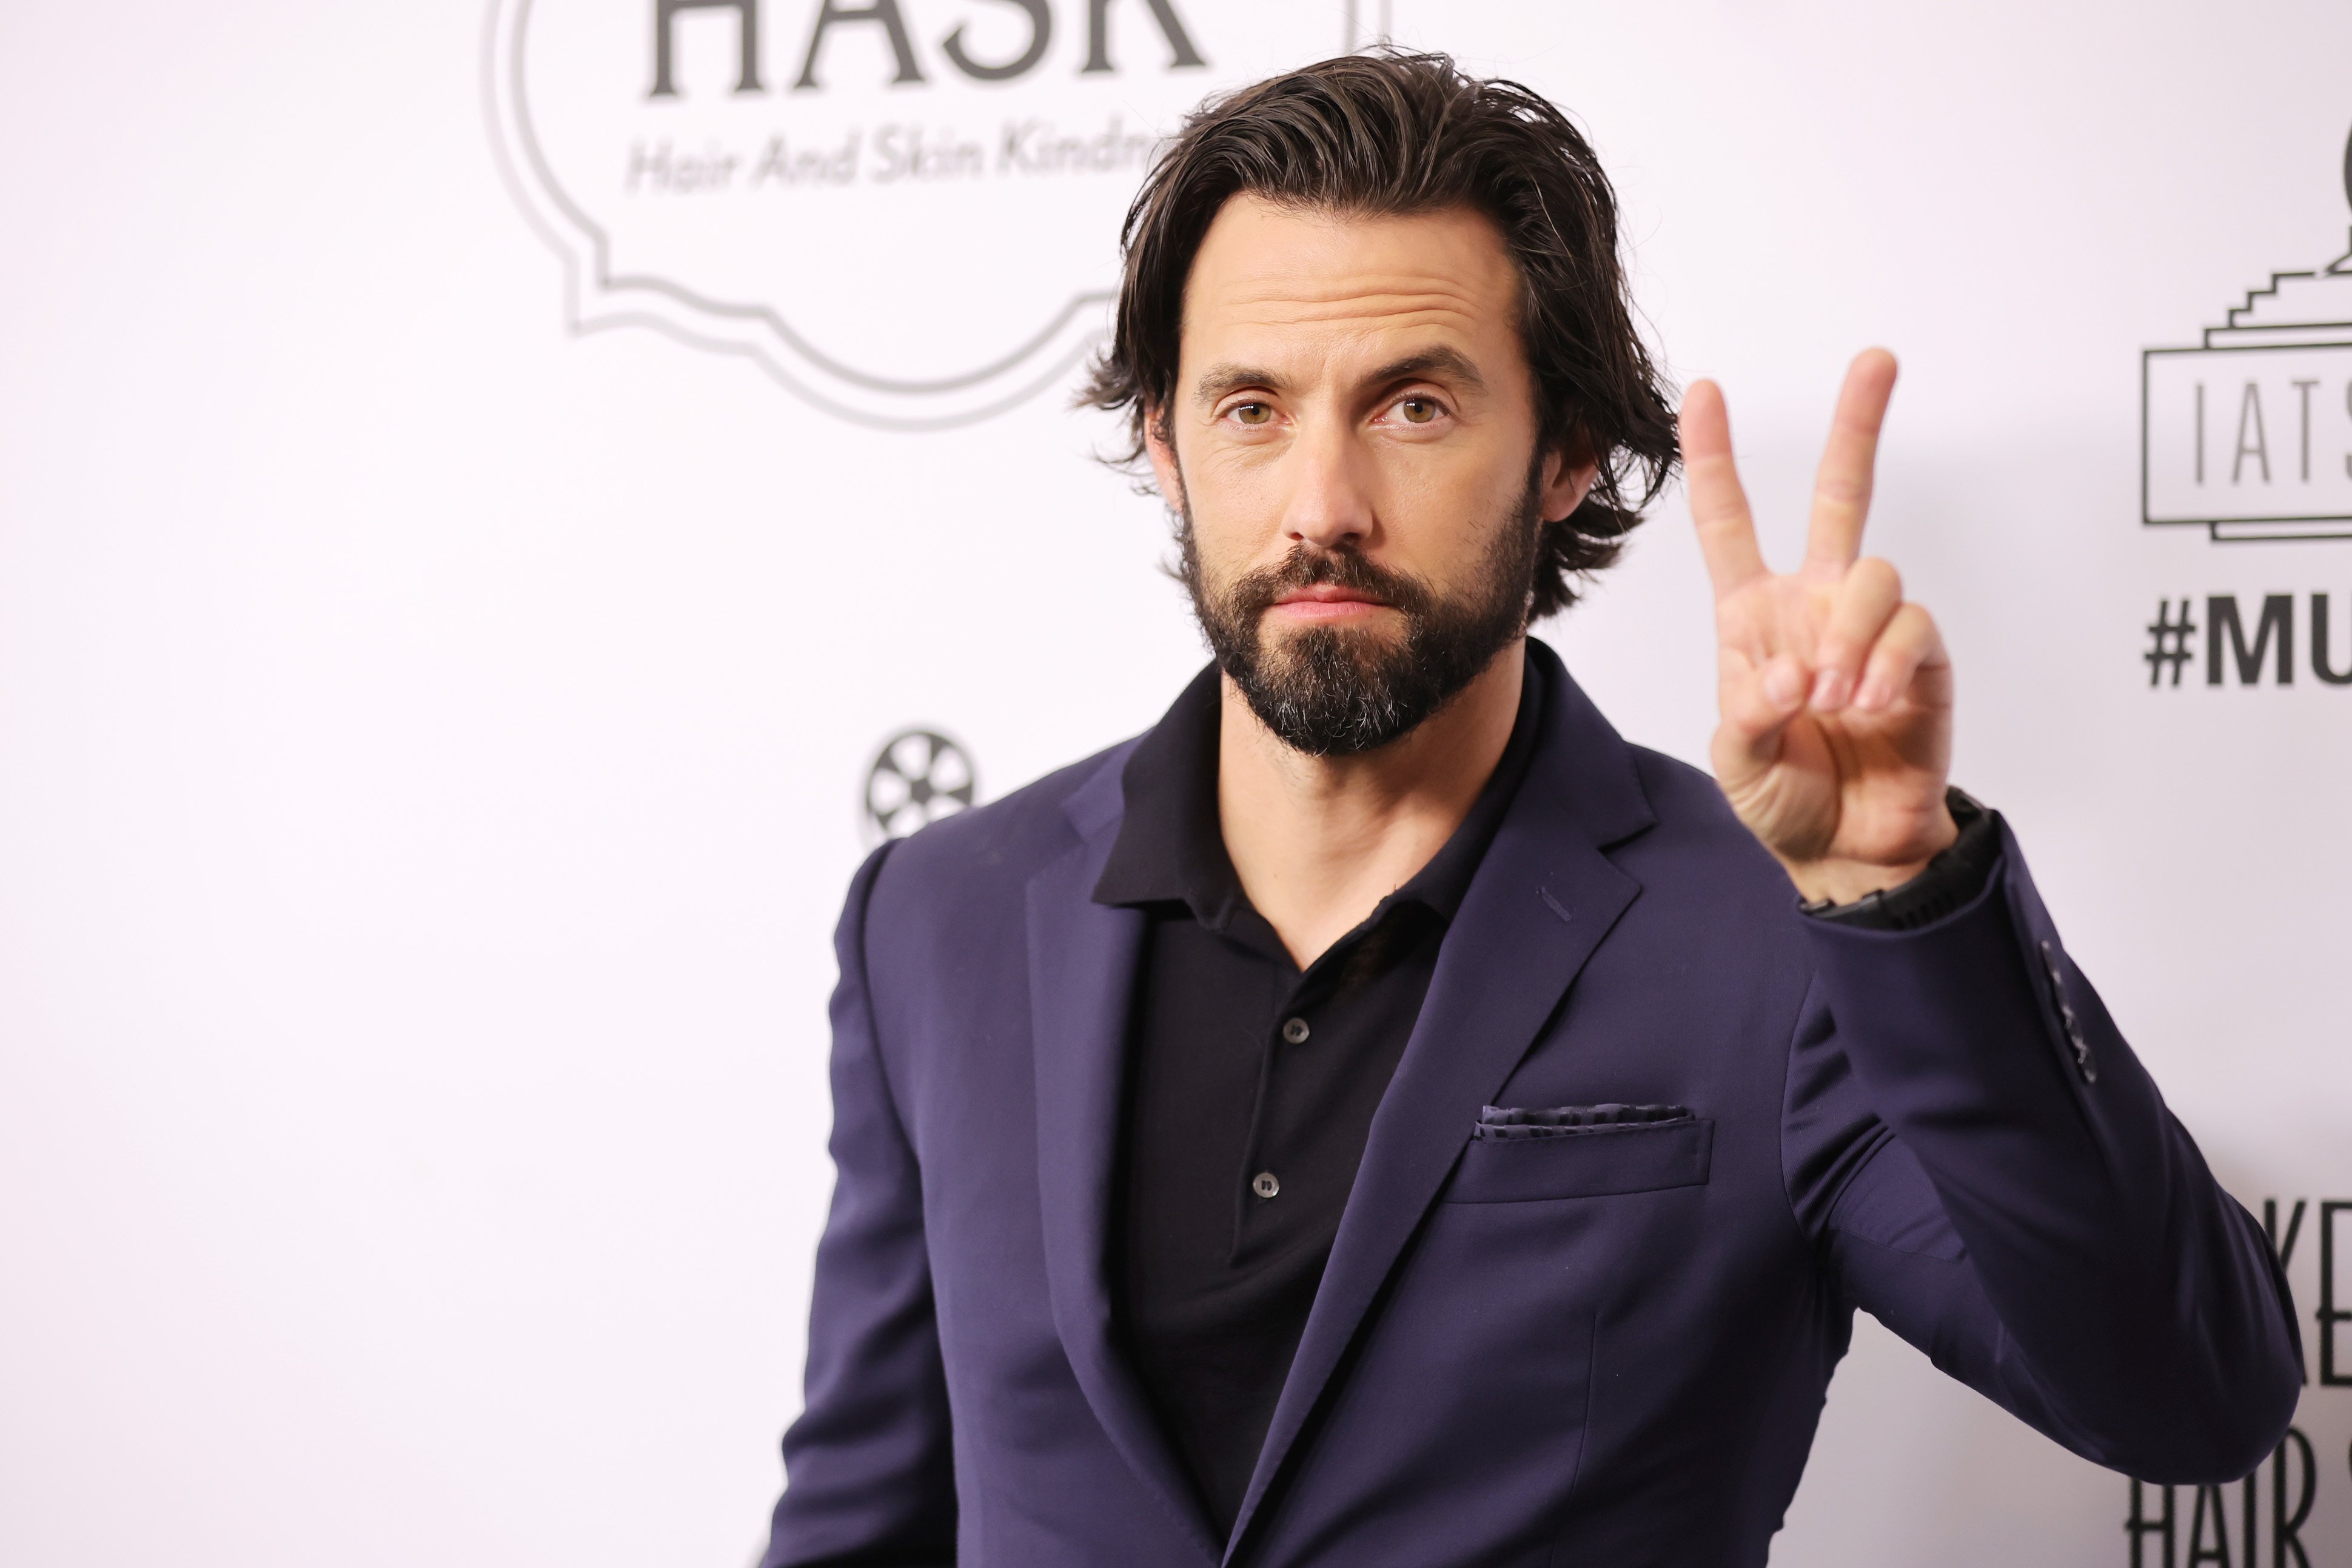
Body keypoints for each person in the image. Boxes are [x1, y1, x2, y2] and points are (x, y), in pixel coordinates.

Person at [758, 52, 2300, 1568]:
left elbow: (2187, 1396)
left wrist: (1904, 896)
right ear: (1163, 442)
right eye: (1249, 408)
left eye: (1412, 406)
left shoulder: (1779, 944)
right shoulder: (938, 918)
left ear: (1563, 452)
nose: (1320, 506)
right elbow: (859, 1522)